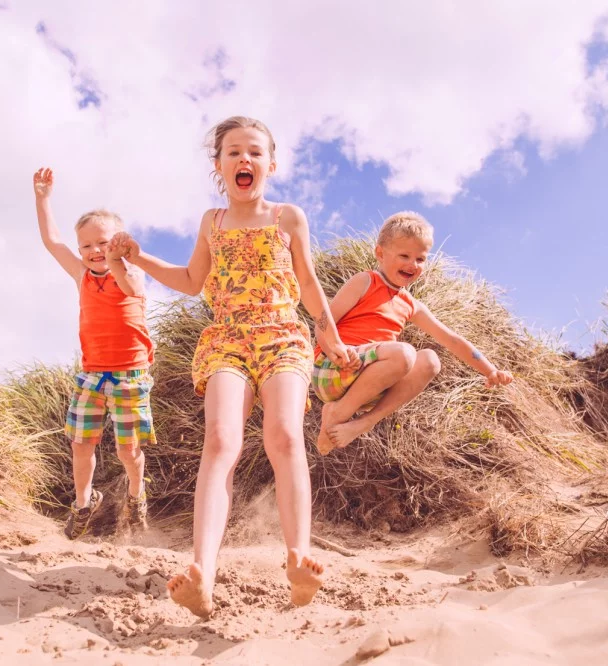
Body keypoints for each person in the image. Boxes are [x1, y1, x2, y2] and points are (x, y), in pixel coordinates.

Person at [108, 116, 358, 618]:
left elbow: (308, 283)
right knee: (221, 439)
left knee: (284, 435)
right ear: (218, 164)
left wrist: (327, 332)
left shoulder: (288, 217)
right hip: (226, 338)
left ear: (270, 163)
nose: (244, 159)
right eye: (233, 152)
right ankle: (201, 572)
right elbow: (191, 279)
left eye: (255, 152)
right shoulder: (211, 222)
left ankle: (298, 560)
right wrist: (139, 258)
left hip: (283, 334)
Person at [313, 211, 513, 455]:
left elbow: (452, 340)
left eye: (420, 259)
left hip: (369, 387)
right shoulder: (365, 281)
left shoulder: (411, 305)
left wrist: (491, 371)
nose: (413, 265)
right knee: (404, 354)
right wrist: (337, 351)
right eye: (404, 255)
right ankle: (337, 413)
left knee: (430, 359)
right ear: (380, 254)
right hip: (334, 370)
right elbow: (323, 323)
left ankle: (364, 422)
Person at [33, 167, 154, 539]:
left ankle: (136, 496)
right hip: (92, 374)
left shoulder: (130, 272)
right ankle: (83, 504)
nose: (93, 251)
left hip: (130, 375)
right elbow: (53, 241)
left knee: (127, 452)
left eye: (102, 243)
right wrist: (43, 198)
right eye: (86, 246)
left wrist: (120, 257)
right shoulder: (82, 276)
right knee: (80, 445)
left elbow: (131, 286)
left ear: (118, 242)